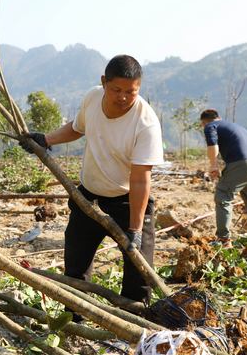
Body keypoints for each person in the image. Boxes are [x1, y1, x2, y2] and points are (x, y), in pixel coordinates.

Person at [21, 55, 164, 304]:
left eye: (131, 92)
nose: (123, 97)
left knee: (139, 275)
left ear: (139, 87)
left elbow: (141, 179)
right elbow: (78, 127)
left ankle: (132, 327)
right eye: (116, 90)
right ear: (103, 83)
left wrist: (136, 230)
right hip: (88, 197)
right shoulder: (93, 97)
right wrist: (46, 139)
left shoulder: (146, 123)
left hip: (128, 202)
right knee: (76, 267)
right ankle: (75, 318)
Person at [199, 109, 247, 245]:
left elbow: (212, 144)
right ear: (219, 117)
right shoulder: (234, 126)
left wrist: (213, 165)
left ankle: (223, 239)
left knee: (223, 195)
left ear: (203, 122)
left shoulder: (210, 126)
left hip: (241, 161)